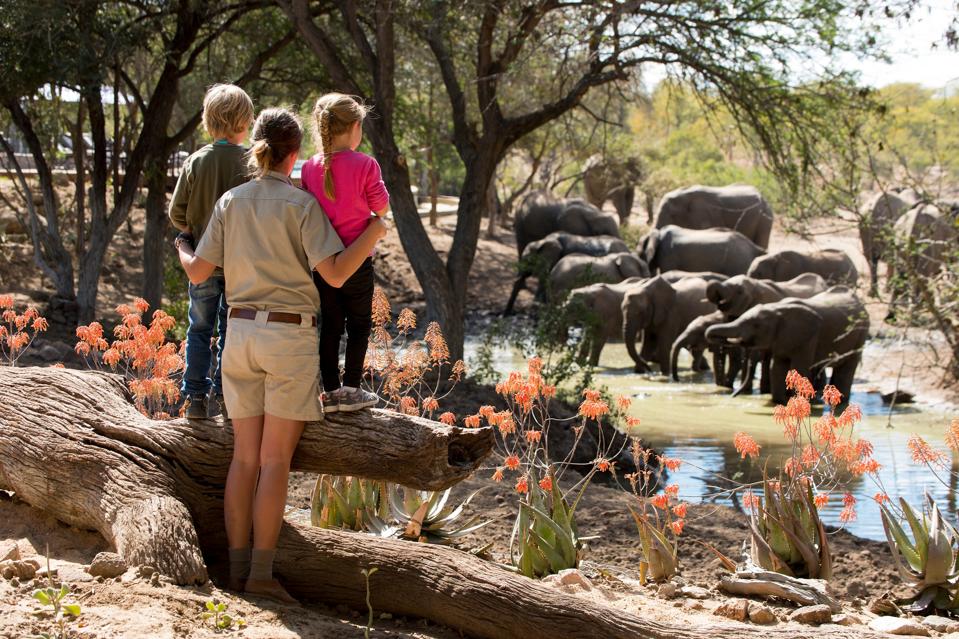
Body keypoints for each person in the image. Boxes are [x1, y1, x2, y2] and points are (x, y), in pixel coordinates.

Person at [175, 107, 387, 602]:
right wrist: (373, 233)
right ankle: (262, 577)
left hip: (240, 336)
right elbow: (335, 274)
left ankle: (236, 570)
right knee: (274, 461)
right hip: (288, 338)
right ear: (295, 156)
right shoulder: (300, 204)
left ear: (259, 149)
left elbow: (199, 272)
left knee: (244, 459)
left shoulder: (230, 201)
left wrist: (182, 245)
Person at [169, 84, 254, 420]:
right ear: (245, 123)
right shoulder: (250, 162)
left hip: (203, 259)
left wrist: (190, 231)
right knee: (232, 330)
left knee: (199, 329)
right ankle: (224, 395)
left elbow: (177, 212)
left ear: (208, 121)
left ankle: (195, 398)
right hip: (240, 265)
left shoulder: (197, 160)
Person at [301, 93, 390, 413]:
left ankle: (330, 391)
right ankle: (352, 388)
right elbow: (381, 207)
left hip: (322, 262)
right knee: (360, 324)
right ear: (354, 127)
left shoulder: (310, 166)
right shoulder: (366, 163)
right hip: (358, 261)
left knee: (331, 325)